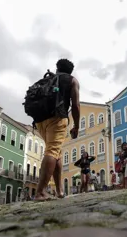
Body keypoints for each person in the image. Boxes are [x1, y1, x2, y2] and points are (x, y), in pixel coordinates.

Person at [34, 59, 80, 201]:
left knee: (57, 152)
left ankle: (60, 190)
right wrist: (76, 126)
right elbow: (76, 105)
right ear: (70, 71)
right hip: (57, 118)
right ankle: (40, 192)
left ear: (57, 67)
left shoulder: (47, 79)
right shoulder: (72, 80)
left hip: (39, 120)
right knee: (52, 151)